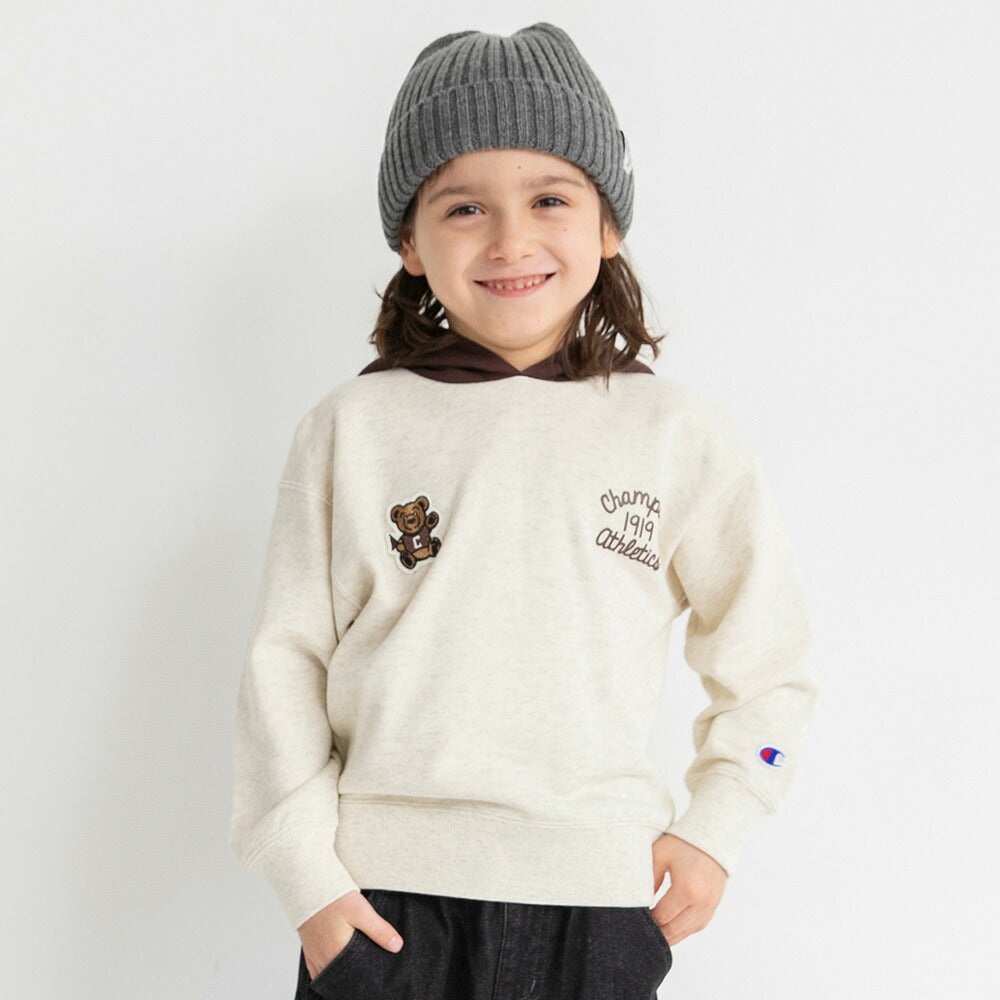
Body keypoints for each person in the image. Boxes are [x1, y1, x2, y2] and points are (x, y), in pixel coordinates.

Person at [228, 22, 818, 1000]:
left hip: (598, 906)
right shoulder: (351, 430)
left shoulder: (679, 437)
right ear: (410, 243)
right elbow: (282, 665)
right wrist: (304, 875)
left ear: (607, 224)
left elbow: (772, 669)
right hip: (383, 904)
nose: (509, 240)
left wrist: (722, 820)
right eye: (464, 207)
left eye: (550, 198)